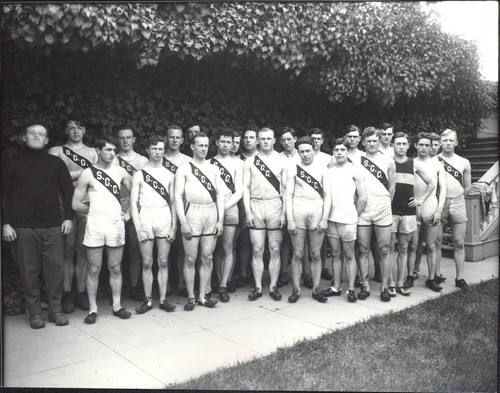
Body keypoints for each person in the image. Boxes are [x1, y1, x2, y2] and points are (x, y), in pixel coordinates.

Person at [2, 124, 74, 328]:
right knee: (29, 272)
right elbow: (3, 195)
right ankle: (34, 313)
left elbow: (67, 190)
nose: (36, 136)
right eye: (32, 133)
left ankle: (55, 310)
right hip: (22, 227)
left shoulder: (55, 163)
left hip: (53, 226)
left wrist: (68, 217)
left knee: (55, 272)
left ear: (46, 140)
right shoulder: (11, 164)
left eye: (41, 134)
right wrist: (5, 223)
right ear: (24, 137)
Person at [72, 134, 132, 324]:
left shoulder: (121, 171)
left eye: (114, 150)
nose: (112, 153)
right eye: (108, 149)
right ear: (98, 150)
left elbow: (136, 193)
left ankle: (117, 306)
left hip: (115, 223)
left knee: (115, 267)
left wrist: (128, 211)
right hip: (95, 224)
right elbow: (75, 203)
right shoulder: (88, 173)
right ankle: (92, 309)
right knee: (94, 268)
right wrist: (94, 210)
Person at [48, 119, 97, 313]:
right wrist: (86, 172)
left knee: (84, 252)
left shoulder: (94, 151)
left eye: (79, 127)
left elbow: (97, 176)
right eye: (71, 128)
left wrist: (70, 175)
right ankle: (67, 294)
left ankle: (82, 292)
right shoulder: (56, 151)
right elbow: (57, 177)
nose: (76, 131)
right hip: (64, 208)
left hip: (87, 207)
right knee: (66, 252)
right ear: (66, 130)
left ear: (84, 129)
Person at [175, 132, 225, 311]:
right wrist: (183, 222)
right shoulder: (184, 168)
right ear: (192, 147)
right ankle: (190, 296)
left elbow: (220, 195)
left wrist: (220, 220)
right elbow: (177, 196)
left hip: (211, 213)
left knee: (208, 257)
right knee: (190, 258)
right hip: (192, 213)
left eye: (206, 146)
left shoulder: (213, 168)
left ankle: (203, 296)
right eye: (200, 145)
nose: (203, 149)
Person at [130, 135, 177, 314]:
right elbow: (133, 204)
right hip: (146, 216)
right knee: (147, 262)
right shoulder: (139, 174)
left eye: (160, 149)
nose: (157, 152)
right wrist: (139, 229)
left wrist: (174, 226)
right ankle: (148, 300)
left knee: (163, 261)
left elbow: (173, 202)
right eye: (154, 148)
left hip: (163, 215)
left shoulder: (169, 174)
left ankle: (163, 299)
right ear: (148, 150)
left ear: (164, 151)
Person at [388, 132, 435, 297]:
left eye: (404, 144)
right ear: (392, 145)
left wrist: (420, 200)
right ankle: (391, 283)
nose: (401, 147)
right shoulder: (388, 162)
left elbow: (431, 183)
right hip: (390, 211)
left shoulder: (414, 164)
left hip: (408, 212)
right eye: (398, 143)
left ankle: (400, 283)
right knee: (388, 248)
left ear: (408, 146)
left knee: (403, 248)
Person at [244, 127, 286, 301]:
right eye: (263, 139)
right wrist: (247, 212)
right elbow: (245, 188)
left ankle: (273, 286)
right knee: (257, 249)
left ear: (274, 140)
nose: (266, 142)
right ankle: (258, 286)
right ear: (258, 141)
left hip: (275, 205)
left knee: (275, 248)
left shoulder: (282, 161)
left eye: (269, 138)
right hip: (256, 204)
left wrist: (284, 213)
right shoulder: (250, 161)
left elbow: (286, 189)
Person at [285, 136, 329, 303]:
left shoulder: (323, 169)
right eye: (301, 151)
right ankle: (296, 289)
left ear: (313, 149)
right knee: (297, 253)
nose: (305, 154)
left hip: (317, 209)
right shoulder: (293, 169)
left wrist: (325, 218)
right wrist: (289, 218)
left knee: (316, 253)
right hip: (299, 209)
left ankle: (316, 289)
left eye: (307, 150)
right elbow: (288, 195)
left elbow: (328, 195)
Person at [322, 138, 366, 302]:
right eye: (336, 150)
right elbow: (327, 197)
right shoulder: (329, 172)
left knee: (349, 255)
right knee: (335, 255)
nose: (339, 153)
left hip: (348, 220)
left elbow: (362, 198)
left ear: (347, 152)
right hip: (332, 220)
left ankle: (351, 289)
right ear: (333, 152)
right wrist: (325, 218)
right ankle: (336, 287)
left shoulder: (355, 171)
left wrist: (354, 215)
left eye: (342, 150)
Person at [356, 127, 396, 302]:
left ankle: (385, 287)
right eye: (369, 141)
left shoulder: (388, 161)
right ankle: (364, 286)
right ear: (363, 142)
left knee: (384, 249)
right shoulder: (357, 161)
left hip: (382, 208)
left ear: (379, 141)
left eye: (375, 140)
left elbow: (393, 186)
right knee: (363, 248)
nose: (372, 144)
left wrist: (386, 202)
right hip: (364, 210)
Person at [114, 125, 149, 301]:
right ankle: (115, 289)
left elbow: (147, 190)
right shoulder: (112, 159)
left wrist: (131, 210)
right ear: (117, 140)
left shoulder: (143, 160)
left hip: (136, 210)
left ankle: (135, 287)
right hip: (115, 210)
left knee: (136, 252)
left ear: (134, 139)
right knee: (116, 252)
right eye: (122, 138)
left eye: (129, 137)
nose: (125, 141)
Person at [211, 131, 243, 302]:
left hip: (230, 206)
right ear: (217, 142)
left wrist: (224, 207)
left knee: (228, 246)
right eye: (222, 141)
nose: (225, 145)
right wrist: (218, 208)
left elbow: (240, 190)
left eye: (228, 142)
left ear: (232, 144)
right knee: (215, 249)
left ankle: (224, 284)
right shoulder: (209, 163)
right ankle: (217, 280)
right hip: (214, 207)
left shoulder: (237, 164)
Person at [413, 132, 447, 292]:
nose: (425, 148)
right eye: (421, 145)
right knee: (413, 245)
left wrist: (439, 210)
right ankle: (411, 275)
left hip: (431, 206)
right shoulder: (410, 163)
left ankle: (432, 278)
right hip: (414, 207)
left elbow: (443, 188)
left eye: (428, 145)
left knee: (431, 245)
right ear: (415, 146)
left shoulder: (437, 164)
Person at [438, 129, 471, 291]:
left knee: (459, 242)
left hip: (458, 202)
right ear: (440, 142)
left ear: (456, 142)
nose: (448, 143)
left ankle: (460, 278)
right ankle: (435, 275)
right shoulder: (435, 160)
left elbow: (468, 187)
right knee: (435, 242)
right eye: (445, 141)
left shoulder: (464, 162)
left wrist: (457, 197)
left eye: (451, 140)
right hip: (439, 203)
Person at [163, 125, 193, 297]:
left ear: (182, 140)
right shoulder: (158, 157)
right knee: (164, 249)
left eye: (178, 137)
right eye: (171, 137)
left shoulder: (188, 161)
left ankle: (182, 284)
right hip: (163, 207)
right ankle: (165, 285)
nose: (174, 140)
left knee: (183, 248)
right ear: (166, 138)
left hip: (182, 207)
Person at [309, 128, 335, 281]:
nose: (315, 141)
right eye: (313, 138)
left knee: (322, 238)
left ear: (322, 141)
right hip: (307, 203)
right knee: (306, 241)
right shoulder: (303, 154)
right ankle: (307, 271)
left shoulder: (327, 158)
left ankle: (323, 267)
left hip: (322, 201)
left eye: (318, 138)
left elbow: (330, 181)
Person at [233, 129, 259, 288]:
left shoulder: (264, 157)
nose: (248, 140)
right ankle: (243, 274)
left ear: (257, 140)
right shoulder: (237, 159)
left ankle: (259, 275)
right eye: (246, 138)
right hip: (242, 203)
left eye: (252, 138)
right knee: (243, 240)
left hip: (261, 202)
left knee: (260, 242)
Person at [277, 127, 300, 289]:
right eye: (283, 140)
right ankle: (284, 272)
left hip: (301, 202)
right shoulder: (278, 158)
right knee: (284, 240)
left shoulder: (304, 154)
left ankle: (305, 274)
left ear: (295, 139)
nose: (286, 143)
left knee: (301, 242)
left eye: (289, 139)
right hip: (284, 201)